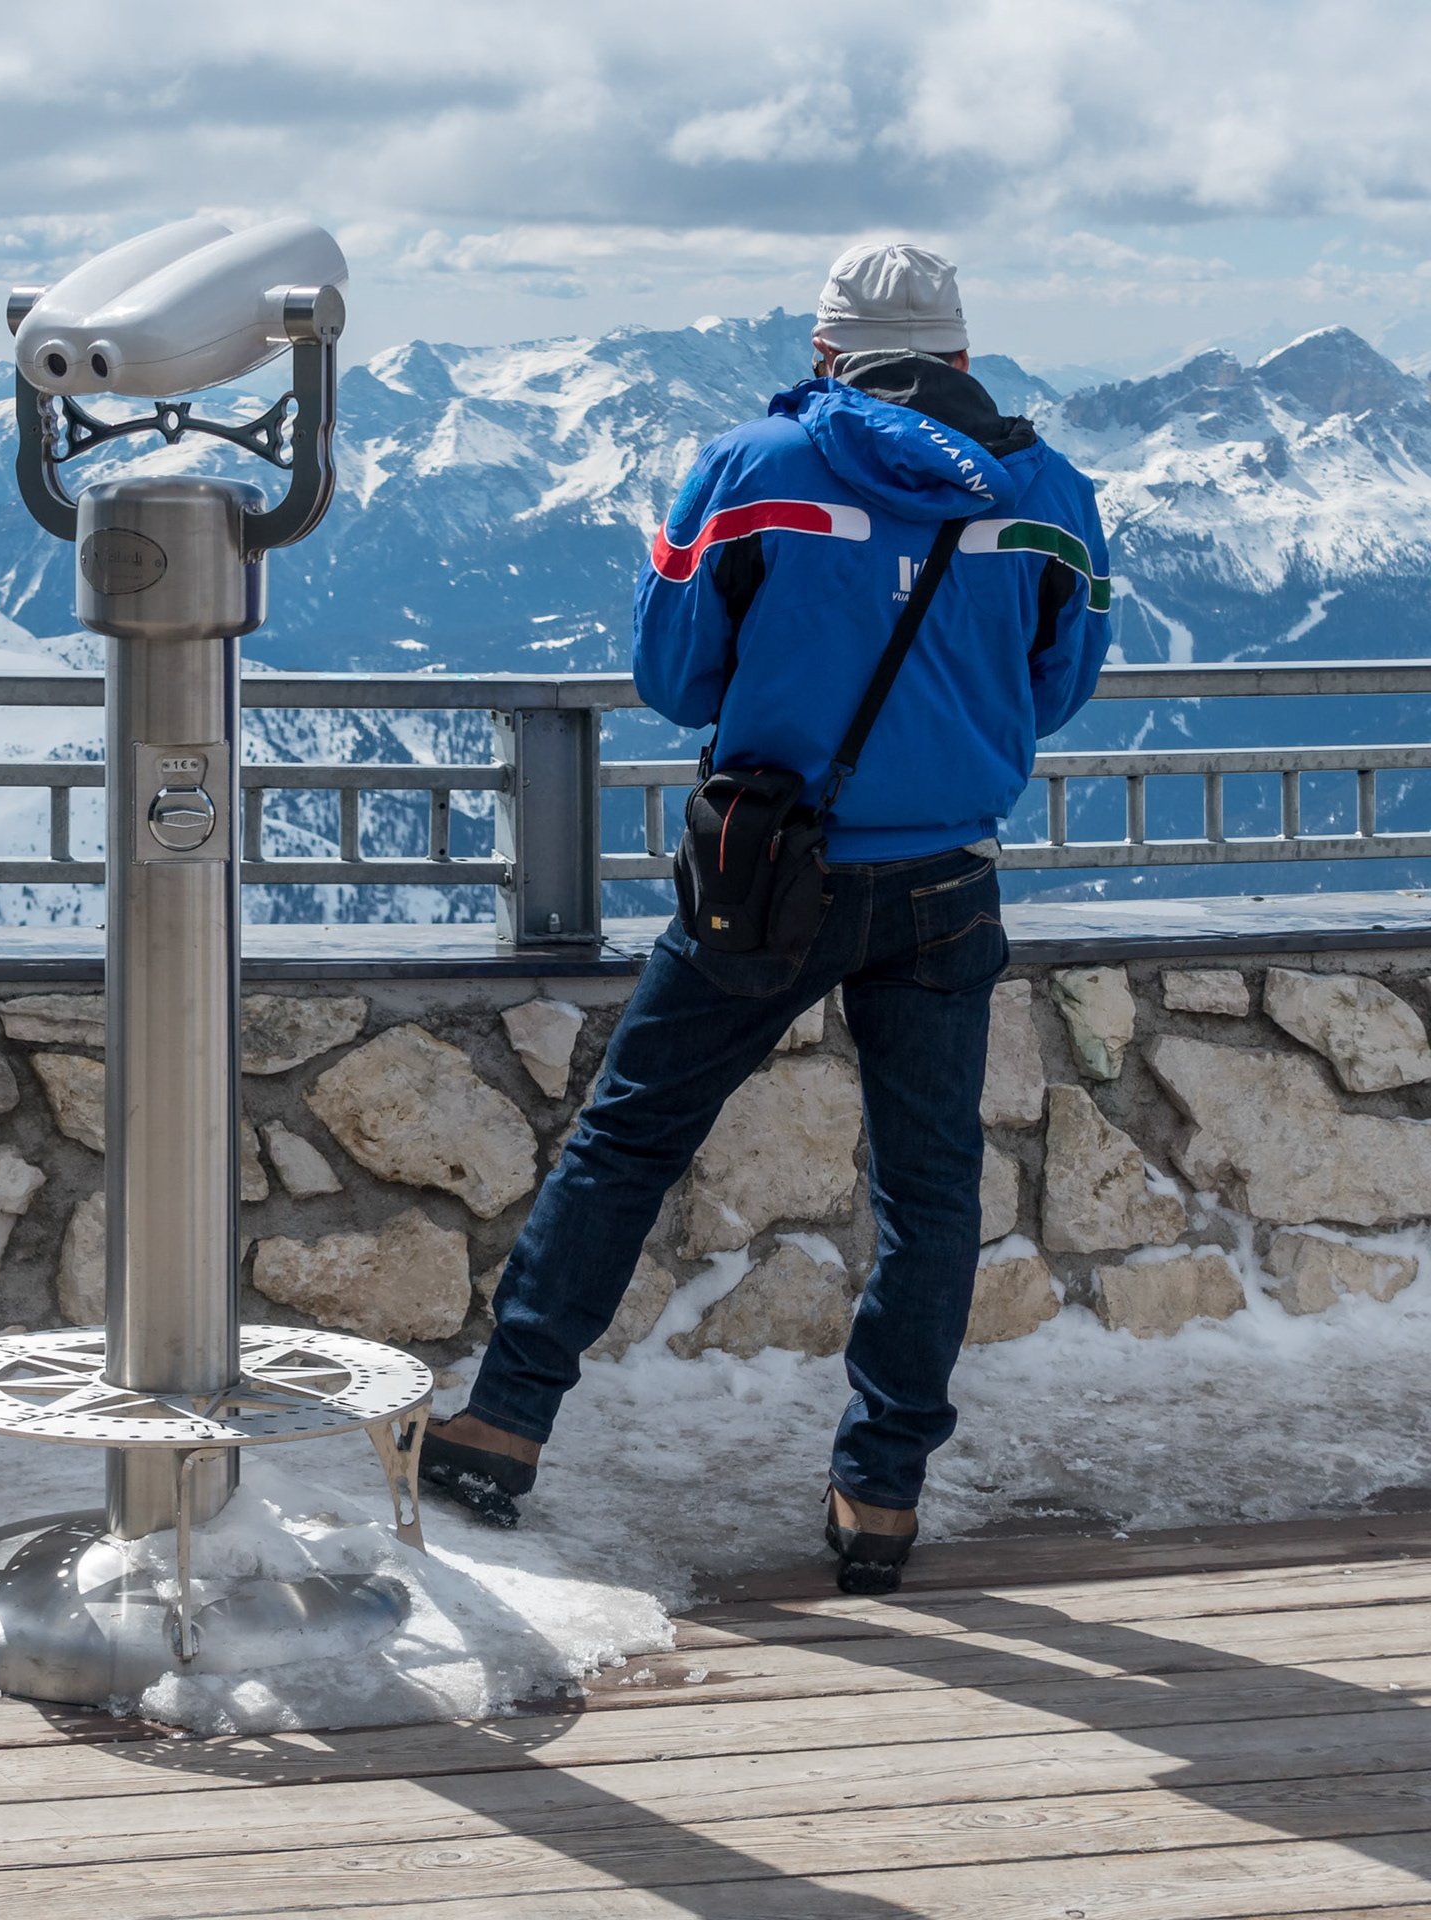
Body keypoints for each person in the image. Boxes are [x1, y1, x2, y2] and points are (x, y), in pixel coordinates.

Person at [419, 242, 1112, 1593]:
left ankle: (500, 1429)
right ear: (967, 357)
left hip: (766, 875)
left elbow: (675, 678)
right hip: (946, 887)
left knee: (627, 1143)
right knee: (929, 1195)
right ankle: (881, 1500)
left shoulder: (750, 470)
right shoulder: (1051, 494)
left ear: (822, 355)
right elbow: (1058, 685)